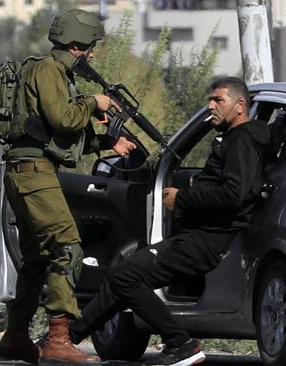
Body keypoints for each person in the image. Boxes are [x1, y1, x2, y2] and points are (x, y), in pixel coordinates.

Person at [68, 76, 271, 366]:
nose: (210, 106)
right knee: (122, 277)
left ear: (240, 106)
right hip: (198, 235)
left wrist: (182, 200)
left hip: (206, 240)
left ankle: (181, 343)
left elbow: (234, 195)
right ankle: (68, 339)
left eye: (218, 100)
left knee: (126, 276)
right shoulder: (238, 139)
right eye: (210, 99)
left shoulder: (243, 141)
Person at [0, 8, 136, 365]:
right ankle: (58, 338)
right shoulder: (48, 71)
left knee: (35, 259)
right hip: (34, 174)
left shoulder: (47, 71)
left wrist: (108, 143)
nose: (92, 54)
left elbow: (56, 136)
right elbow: (64, 118)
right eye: (90, 47)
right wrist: (94, 102)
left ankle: (15, 337)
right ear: (78, 44)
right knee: (67, 248)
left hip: (29, 170)